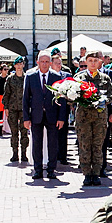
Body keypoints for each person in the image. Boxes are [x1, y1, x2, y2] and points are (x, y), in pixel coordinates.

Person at [74, 51, 112, 186]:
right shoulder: (79, 78)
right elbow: (71, 95)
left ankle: (97, 173)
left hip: (99, 117)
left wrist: (104, 100)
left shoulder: (105, 78)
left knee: (98, 145)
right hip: (83, 117)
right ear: (86, 62)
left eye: (95, 60)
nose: (93, 63)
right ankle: (87, 173)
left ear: (99, 62)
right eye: (90, 60)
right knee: (85, 145)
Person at [22, 52, 66, 180]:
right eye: (42, 61)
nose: (45, 64)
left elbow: (61, 99)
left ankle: (52, 170)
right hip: (36, 115)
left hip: (52, 115)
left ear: (50, 63)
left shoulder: (56, 76)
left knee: (52, 144)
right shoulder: (31, 76)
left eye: (47, 62)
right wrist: (26, 118)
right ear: (37, 62)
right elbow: (25, 98)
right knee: (37, 143)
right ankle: (38, 170)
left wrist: (61, 118)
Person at [3, 56, 29, 163]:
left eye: (20, 64)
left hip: (24, 108)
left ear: (23, 65)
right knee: (14, 132)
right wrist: (6, 107)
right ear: (14, 66)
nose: (19, 66)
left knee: (24, 132)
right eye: (17, 64)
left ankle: (23, 153)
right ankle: (15, 153)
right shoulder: (10, 79)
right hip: (13, 108)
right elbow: (6, 94)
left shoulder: (27, 78)